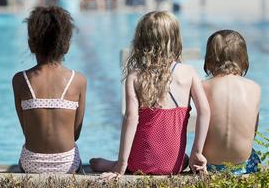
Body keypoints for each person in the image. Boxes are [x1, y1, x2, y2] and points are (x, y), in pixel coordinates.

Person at [90, 11, 210, 175]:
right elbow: (204, 112)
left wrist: (121, 164)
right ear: (175, 40)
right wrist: (197, 151)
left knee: (95, 163)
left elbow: (131, 119)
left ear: (141, 42)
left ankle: (114, 163)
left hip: (140, 164)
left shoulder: (135, 76)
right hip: (173, 166)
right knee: (187, 158)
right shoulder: (188, 73)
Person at [12, 6, 87, 174]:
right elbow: (75, 134)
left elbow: (26, 129)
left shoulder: (20, 80)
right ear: (66, 45)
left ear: (31, 44)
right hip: (66, 163)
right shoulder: (78, 80)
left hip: (32, 162)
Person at [202, 30, 261, 175]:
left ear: (209, 60)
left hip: (209, 166)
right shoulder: (254, 88)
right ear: (244, 60)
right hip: (243, 166)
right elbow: (253, 133)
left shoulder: (202, 87)